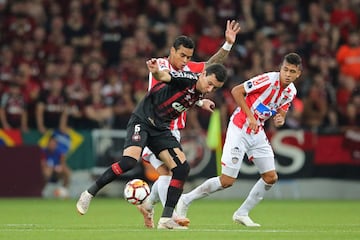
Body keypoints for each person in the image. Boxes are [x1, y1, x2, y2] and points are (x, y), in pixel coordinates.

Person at [76, 60, 228, 230]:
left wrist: (201, 102)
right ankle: (89, 193)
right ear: (203, 74)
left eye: (215, 88)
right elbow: (165, 76)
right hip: (142, 120)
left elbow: (192, 94)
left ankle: (166, 220)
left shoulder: (201, 90)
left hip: (161, 128)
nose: (210, 90)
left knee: (182, 168)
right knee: (128, 162)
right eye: (210, 84)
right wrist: (156, 72)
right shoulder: (187, 78)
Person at [175, 52, 303, 227]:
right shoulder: (268, 80)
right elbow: (237, 91)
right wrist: (250, 116)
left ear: (298, 74)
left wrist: (280, 118)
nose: (287, 74)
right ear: (280, 68)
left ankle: (242, 213)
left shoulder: (291, 91)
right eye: (285, 69)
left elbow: (282, 111)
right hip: (240, 126)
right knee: (227, 181)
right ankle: (185, 199)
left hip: (256, 131)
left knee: (271, 177)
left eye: (292, 71)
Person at [137, 19, 240, 228]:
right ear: (172, 51)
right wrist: (199, 100)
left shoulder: (187, 69)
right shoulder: (161, 65)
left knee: (169, 172)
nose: (185, 61)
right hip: (154, 127)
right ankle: (170, 217)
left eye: (188, 57)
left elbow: (209, 67)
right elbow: (168, 86)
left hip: (172, 130)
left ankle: (148, 204)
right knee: (170, 171)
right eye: (182, 55)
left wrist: (227, 44)